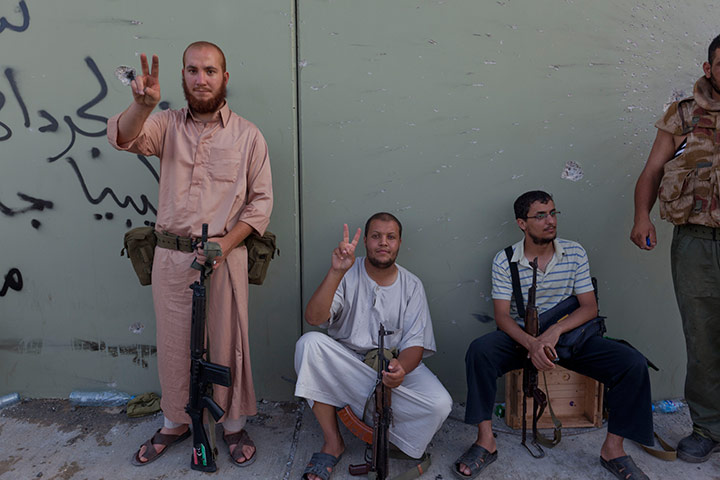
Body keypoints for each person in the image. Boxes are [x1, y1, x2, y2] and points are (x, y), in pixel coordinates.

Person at [107, 41, 273, 467]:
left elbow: (260, 204)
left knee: (226, 345)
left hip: (225, 259)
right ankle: (176, 421)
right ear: (183, 76)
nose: (201, 79)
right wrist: (142, 105)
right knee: (176, 346)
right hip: (171, 259)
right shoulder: (164, 124)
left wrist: (227, 244)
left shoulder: (248, 135)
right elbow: (125, 138)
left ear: (225, 77)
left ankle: (232, 425)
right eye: (193, 71)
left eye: (210, 71)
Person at [456, 191, 653, 480]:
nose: (550, 221)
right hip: (523, 338)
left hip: (569, 338)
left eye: (553, 213)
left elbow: (589, 307)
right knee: (480, 351)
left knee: (632, 363)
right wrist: (533, 343)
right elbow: (502, 316)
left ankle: (613, 450)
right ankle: (485, 441)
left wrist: (555, 331)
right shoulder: (505, 260)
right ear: (522, 223)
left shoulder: (574, 252)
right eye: (541, 216)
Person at [295, 213, 452, 480]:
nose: (383, 243)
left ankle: (380, 431)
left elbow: (415, 343)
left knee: (441, 404)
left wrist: (400, 370)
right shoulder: (347, 271)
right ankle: (333, 442)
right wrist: (336, 272)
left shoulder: (412, 284)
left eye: (390, 237)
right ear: (366, 240)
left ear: (399, 242)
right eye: (376, 236)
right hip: (348, 363)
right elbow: (314, 318)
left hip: (391, 368)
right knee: (308, 344)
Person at [630, 34, 720, 463]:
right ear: (709, 69)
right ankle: (707, 426)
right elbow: (651, 170)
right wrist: (641, 216)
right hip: (696, 243)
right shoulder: (684, 115)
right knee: (702, 337)